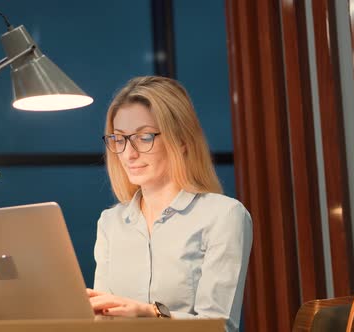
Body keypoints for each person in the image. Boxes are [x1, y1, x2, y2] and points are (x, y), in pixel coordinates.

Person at [88, 76, 252, 332]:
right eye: (119, 139)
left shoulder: (224, 215)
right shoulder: (110, 222)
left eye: (144, 137)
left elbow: (220, 326)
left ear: (182, 141)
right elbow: (103, 321)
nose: (129, 154)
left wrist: (150, 314)